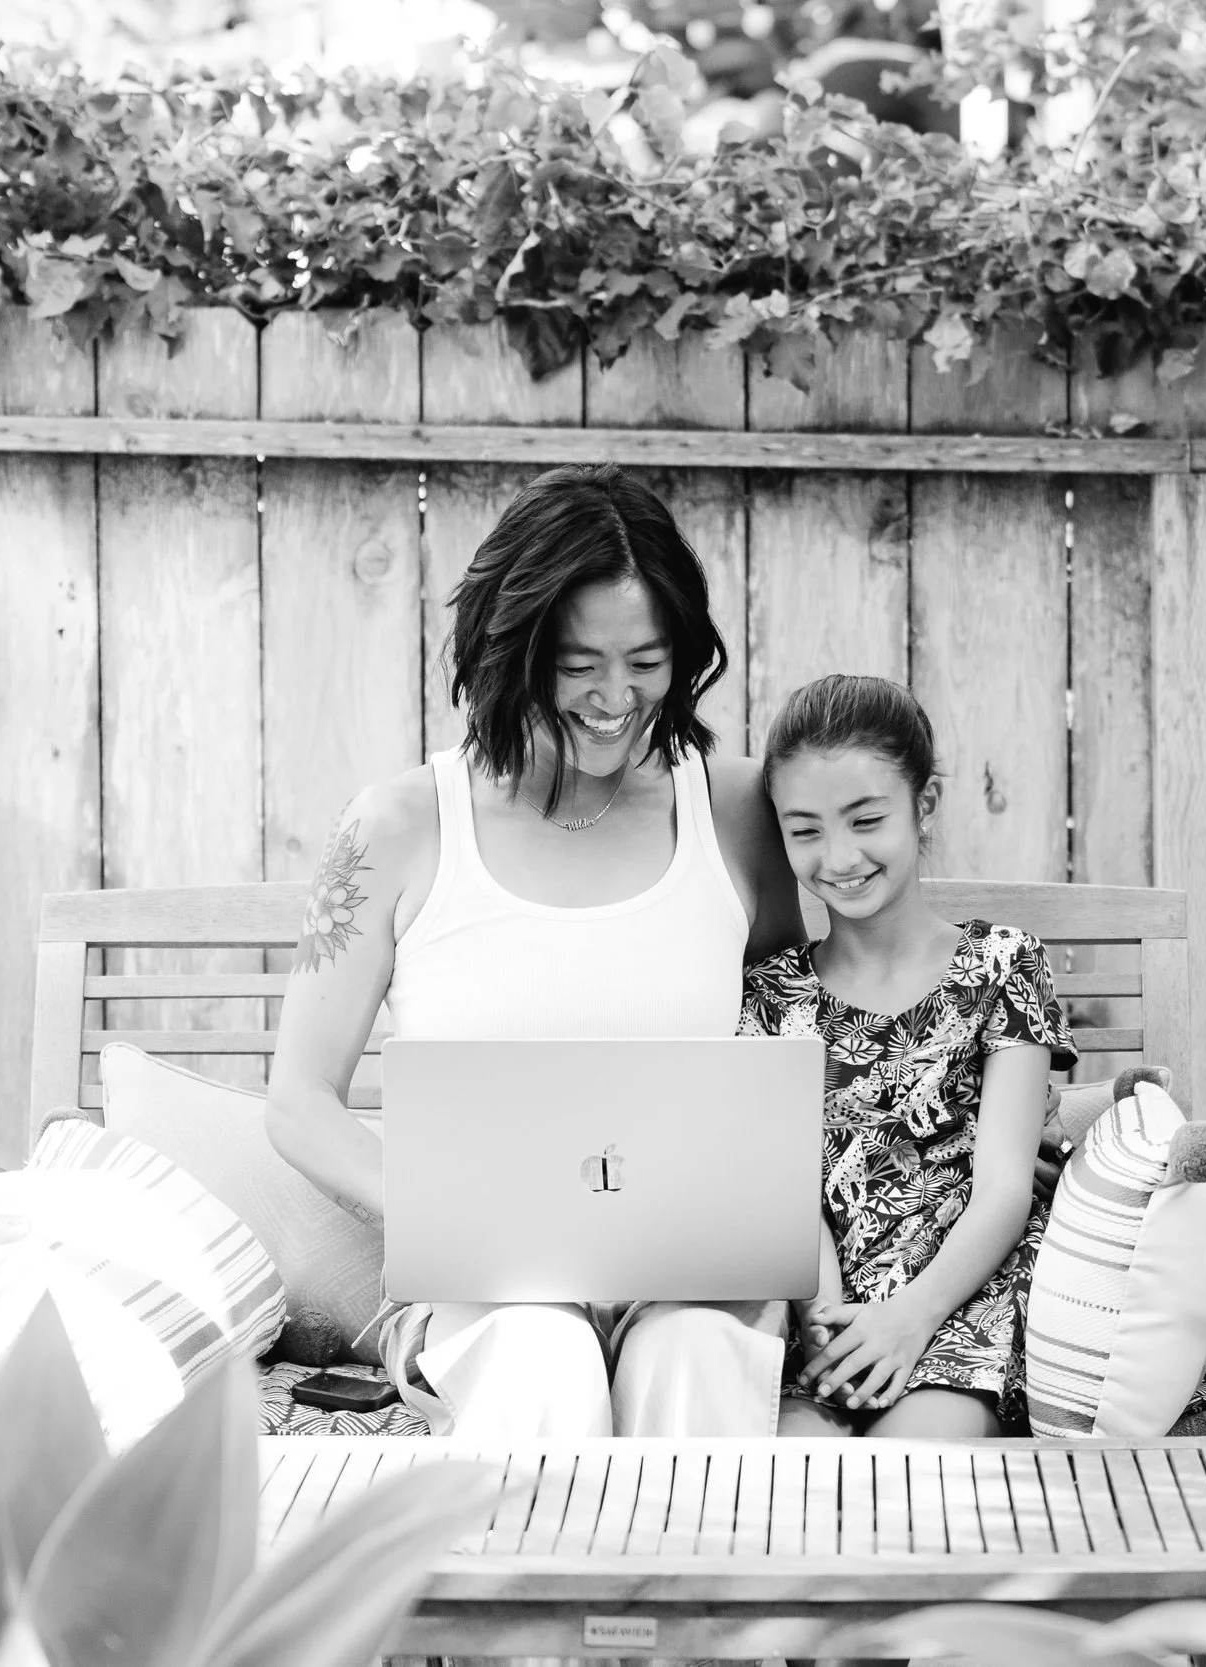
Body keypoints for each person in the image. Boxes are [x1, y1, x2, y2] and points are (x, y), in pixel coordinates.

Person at [264, 462, 805, 1439]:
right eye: (577, 662)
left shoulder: (735, 813)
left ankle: (722, 1597)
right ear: (512, 648)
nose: (615, 696)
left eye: (646, 659)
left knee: (695, 1356)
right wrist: (455, 1217)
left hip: (693, 1275)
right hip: (485, 1291)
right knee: (543, 1356)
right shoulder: (395, 825)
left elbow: (794, 1036)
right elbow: (299, 1101)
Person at [737, 675, 1074, 1438]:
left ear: (924, 806)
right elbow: (786, 1191)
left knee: (910, 1473)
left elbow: (1003, 1188)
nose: (840, 855)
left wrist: (910, 1317)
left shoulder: (1000, 966)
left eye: (865, 819)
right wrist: (830, 1323)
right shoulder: (770, 996)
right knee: (795, 1486)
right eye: (806, 830)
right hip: (825, 1308)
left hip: (959, 1304)